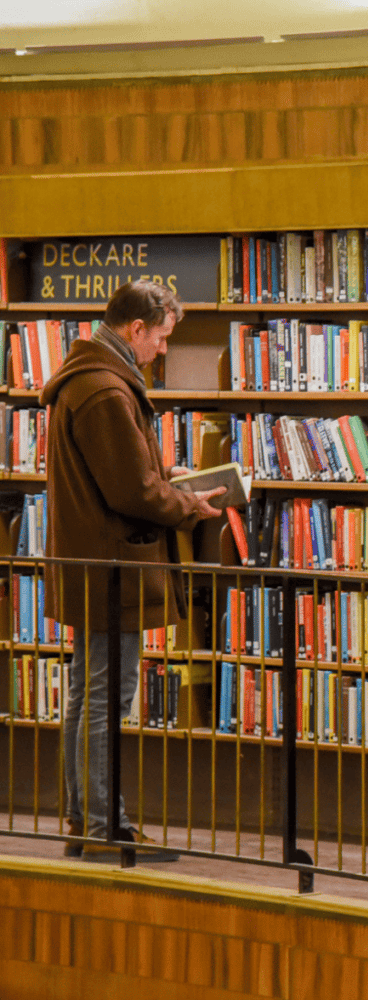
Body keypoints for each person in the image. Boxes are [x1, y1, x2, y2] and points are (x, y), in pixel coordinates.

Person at [40, 280, 224, 861]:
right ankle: (103, 829)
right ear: (136, 328)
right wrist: (188, 505)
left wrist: (169, 483)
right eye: (162, 337)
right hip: (111, 568)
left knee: (86, 694)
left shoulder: (90, 379)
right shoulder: (105, 391)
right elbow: (131, 490)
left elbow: (124, 476)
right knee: (104, 699)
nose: (163, 350)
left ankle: (86, 820)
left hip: (93, 563)